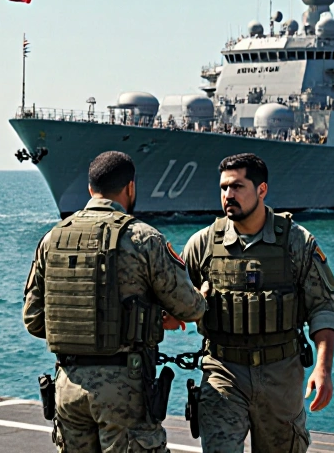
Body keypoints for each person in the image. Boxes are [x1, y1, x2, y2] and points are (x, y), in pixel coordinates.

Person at [23, 151, 209, 452]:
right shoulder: (143, 238)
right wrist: (201, 295)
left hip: (68, 387)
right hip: (124, 390)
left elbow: (33, 319)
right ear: (130, 188)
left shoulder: (52, 239)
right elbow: (191, 308)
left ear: (89, 189)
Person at [181, 153, 334, 453]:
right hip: (223, 373)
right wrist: (190, 305)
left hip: (280, 374)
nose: (228, 195)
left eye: (238, 187)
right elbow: (172, 303)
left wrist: (323, 370)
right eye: (224, 188)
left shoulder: (296, 243)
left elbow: (323, 310)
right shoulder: (202, 245)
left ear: (262, 190)